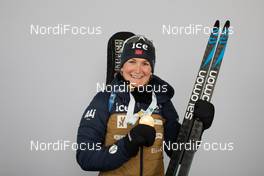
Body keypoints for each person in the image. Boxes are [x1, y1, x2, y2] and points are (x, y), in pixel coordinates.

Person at [76, 35, 214, 176]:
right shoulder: (105, 100)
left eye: (145, 63)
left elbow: (178, 154)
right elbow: (85, 157)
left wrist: (198, 127)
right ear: (122, 68)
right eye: (132, 61)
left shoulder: (162, 101)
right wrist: (128, 143)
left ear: (151, 70)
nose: (138, 69)